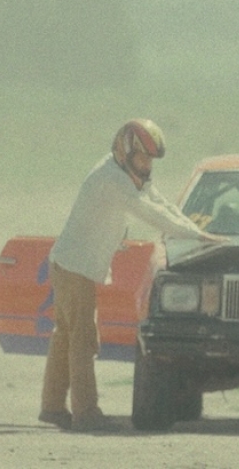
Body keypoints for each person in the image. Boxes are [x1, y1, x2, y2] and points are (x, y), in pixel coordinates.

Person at [39, 118, 217, 432]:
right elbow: (149, 212)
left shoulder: (125, 172)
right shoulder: (113, 179)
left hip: (71, 265)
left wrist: (194, 230)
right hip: (74, 267)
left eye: (150, 159)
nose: (147, 165)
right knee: (82, 341)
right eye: (143, 158)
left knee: (66, 338)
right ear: (125, 152)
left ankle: (52, 408)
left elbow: (159, 202)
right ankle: (86, 414)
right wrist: (197, 237)